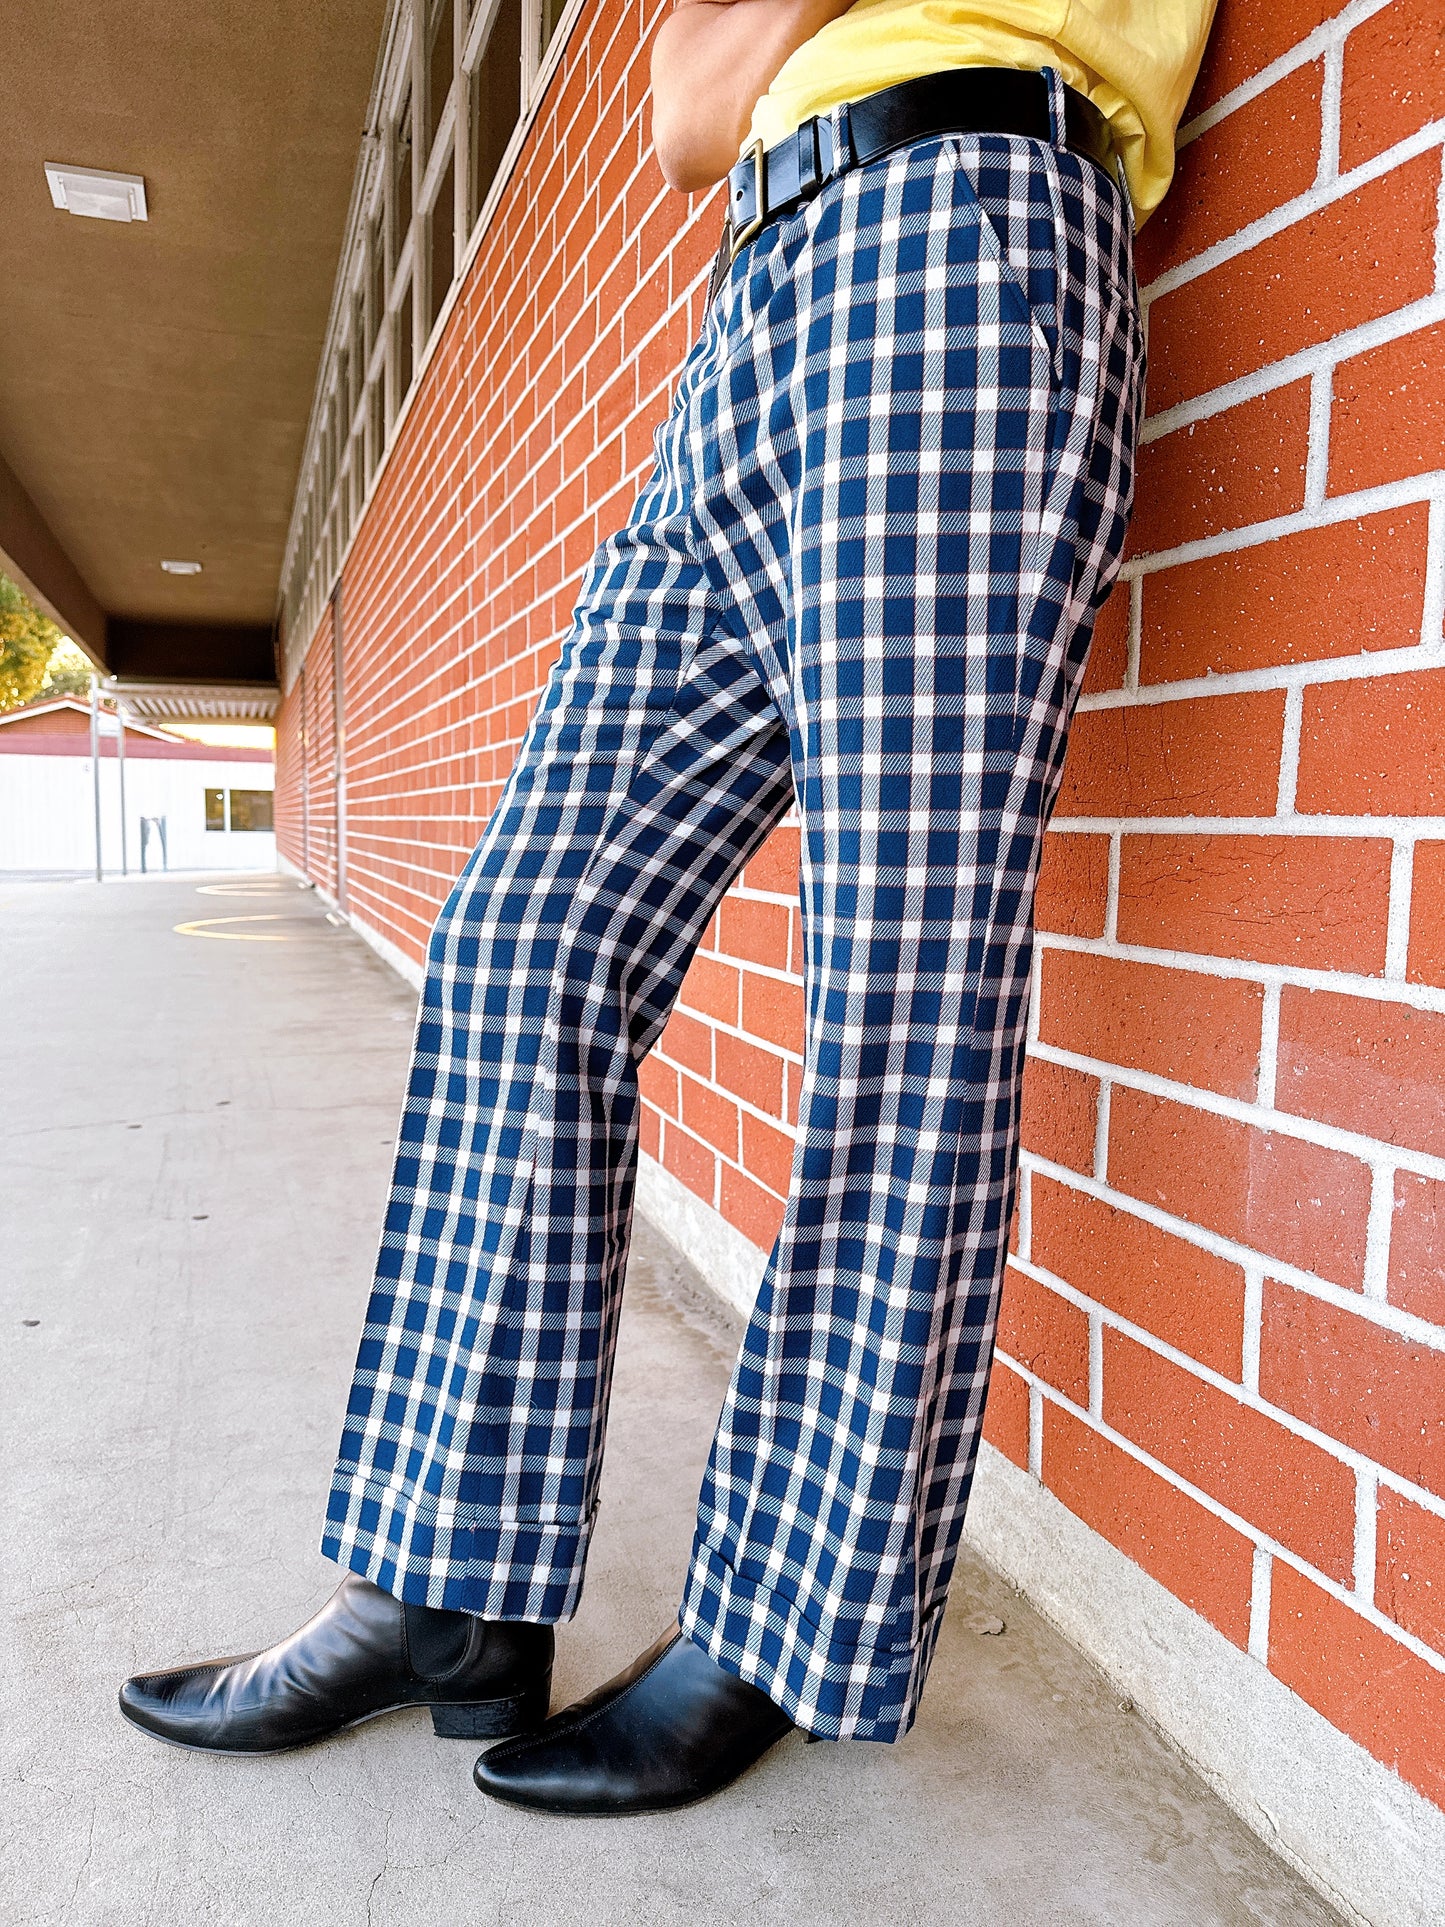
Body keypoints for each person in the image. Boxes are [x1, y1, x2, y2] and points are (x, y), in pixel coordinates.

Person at [120, 0, 1216, 1815]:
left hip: (968, 236)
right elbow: (685, 110)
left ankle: (783, 1624)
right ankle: (442, 1588)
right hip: (756, 305)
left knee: (896, 1002)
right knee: (522, 943)